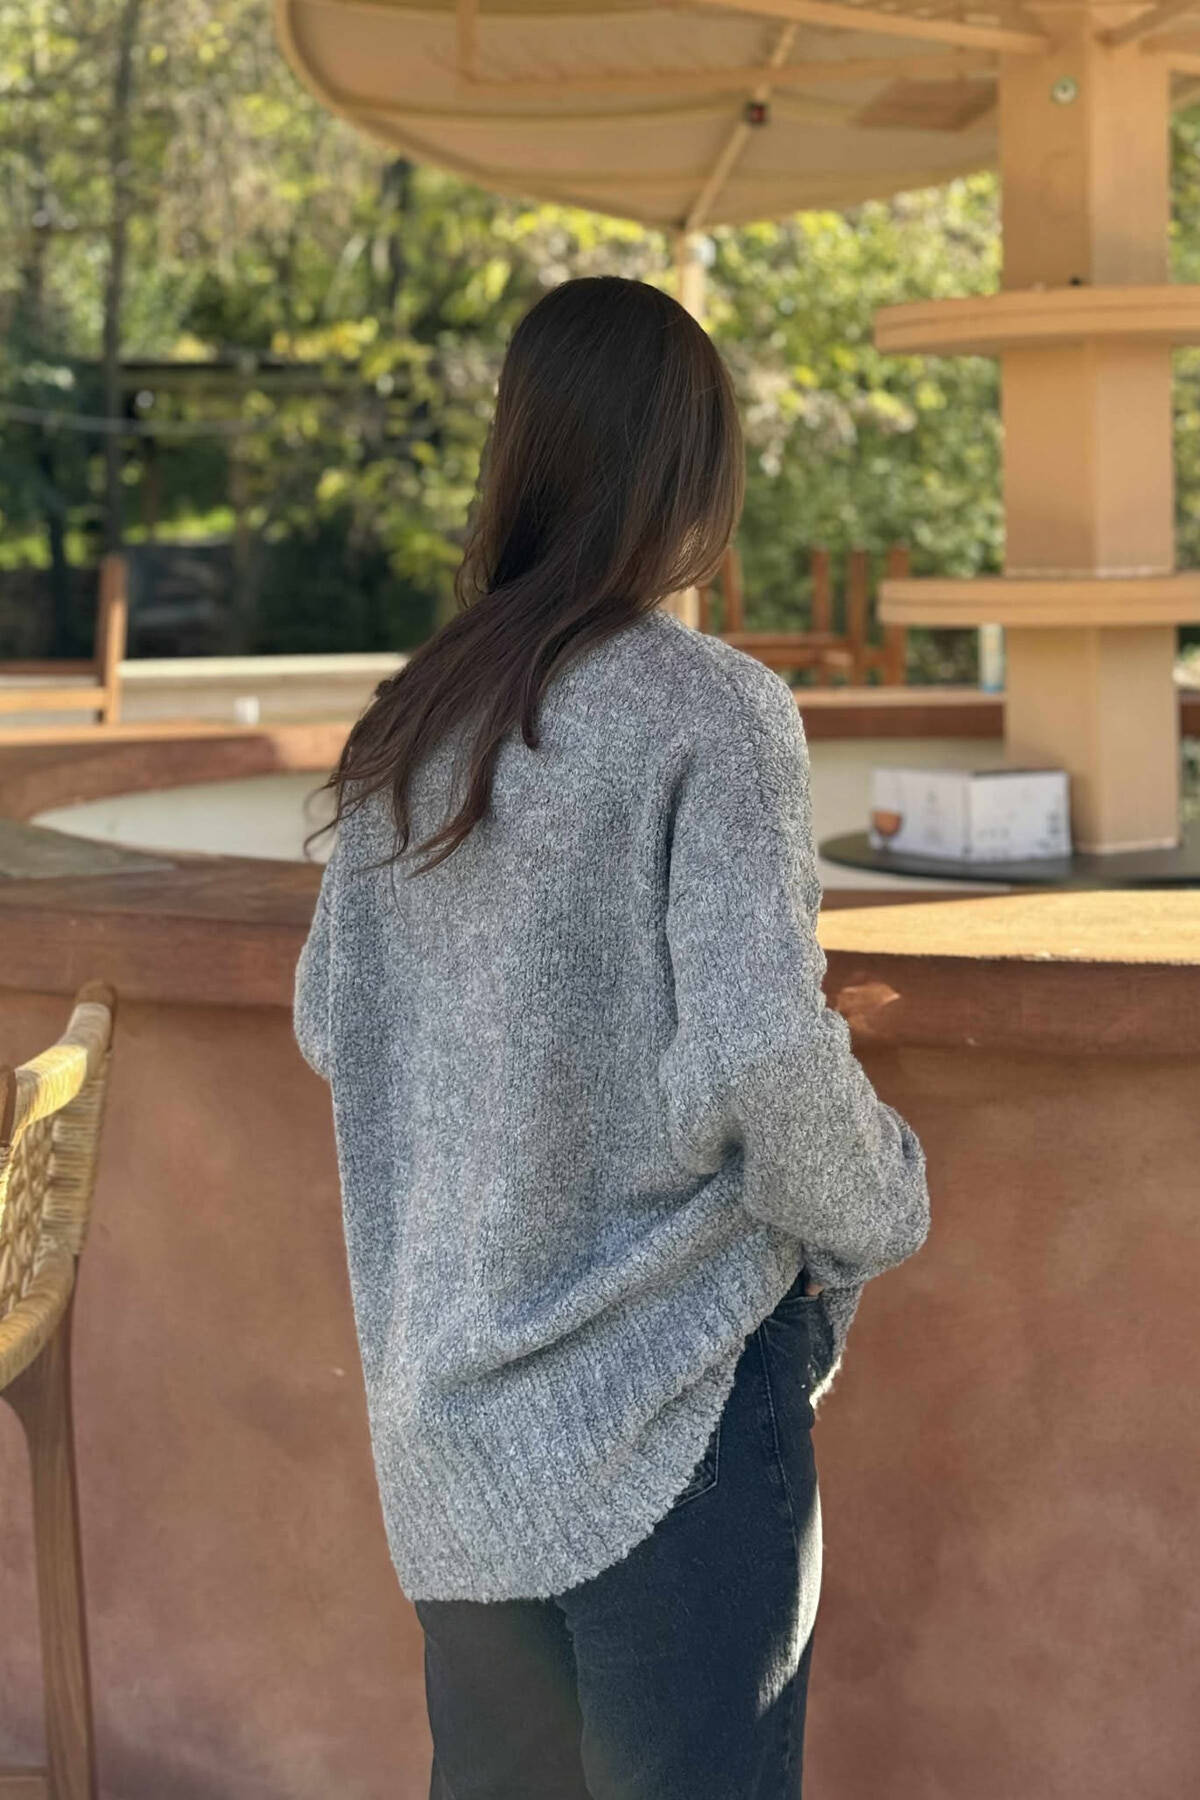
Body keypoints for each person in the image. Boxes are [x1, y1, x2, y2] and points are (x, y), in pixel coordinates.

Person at [292, 275, 930, 1799]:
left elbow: (332, 1016)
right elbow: (765, 1054)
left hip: (453, 1436)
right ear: (690, 471)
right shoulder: (716, 712)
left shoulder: (411, 723)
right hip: (670, 1418)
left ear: (521, 456)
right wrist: (886, 1201)